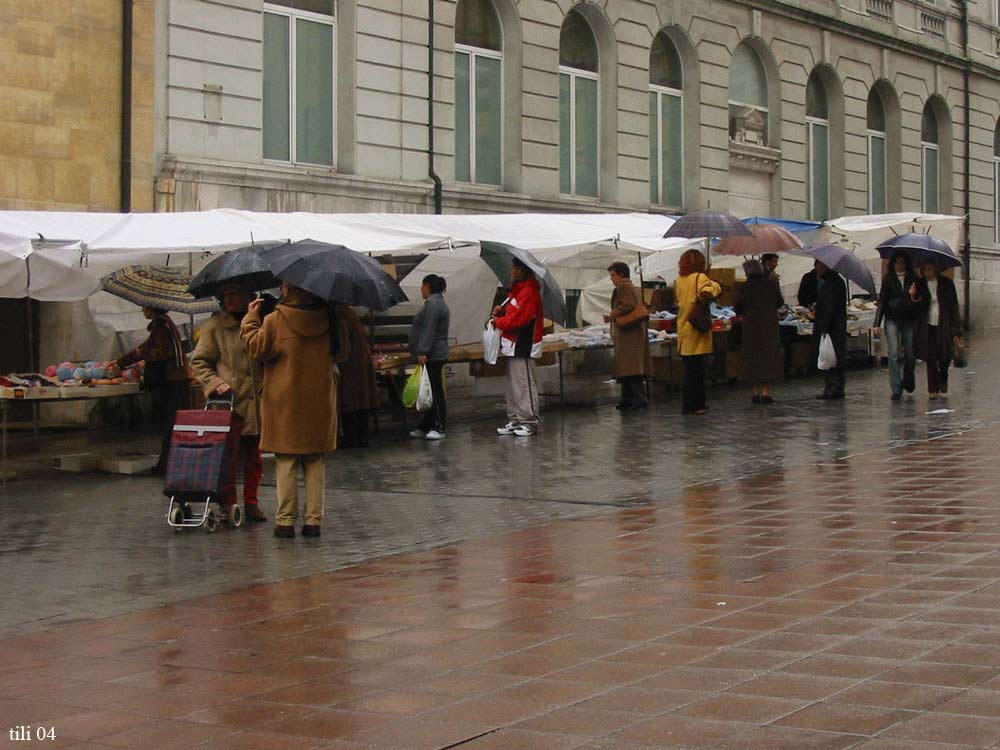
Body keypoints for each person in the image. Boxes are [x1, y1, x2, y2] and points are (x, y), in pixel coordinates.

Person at [241, 283, 349, 539]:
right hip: (319, 401)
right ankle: (313, 521)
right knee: (314, 462)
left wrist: (250, 319)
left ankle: (286, 522)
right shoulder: (330, 317)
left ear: (290, 289)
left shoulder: (275, 319)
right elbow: (343, 353)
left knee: (286, 462)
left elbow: (255, 348)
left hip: (284, 403)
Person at [190, 284, 267, 522]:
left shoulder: (262, 324)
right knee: (228, 458)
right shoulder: (214, 327)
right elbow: (199, 362)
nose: (229, 299)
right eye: (226, 295)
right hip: (228, 404)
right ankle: (228, 502)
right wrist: (214, 383)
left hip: (258, 403)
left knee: (254, 457)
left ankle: (251, 502)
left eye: (235, 293)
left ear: (249, 295)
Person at [116, 307, 189, 475]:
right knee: (171, 424)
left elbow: (162, 353)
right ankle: (167, 463)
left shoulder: (163, 326)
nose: (142, 310)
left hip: (173, 380)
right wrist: (121, 362)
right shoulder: (160, 326)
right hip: (173, 380)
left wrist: (144, 355)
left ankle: (168, 465)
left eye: (144, 307)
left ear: (152, 308)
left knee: (172, 424)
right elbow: (144, 348)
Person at [493, 258, 544, 436]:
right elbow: (513, 313)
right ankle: (515, 417)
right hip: (513, 343)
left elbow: (519, 320)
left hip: (523, 343)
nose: (512, 271)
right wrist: (502, 312)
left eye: (515, 267)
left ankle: (528, 420)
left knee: (523, 383)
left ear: (523, 270)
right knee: (513, 384)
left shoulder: (528, 292)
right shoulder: (517, 292)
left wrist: (499, 321)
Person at [675, 249, 721, 416]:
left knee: (689, 370)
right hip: (696, 329)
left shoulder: (679, 280)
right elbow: (712, 290)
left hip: (684, 326)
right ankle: (695, 404)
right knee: (698, 372)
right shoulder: (700, 278)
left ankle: (690, 403)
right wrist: (712, 281)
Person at [872, 252, 920, 402]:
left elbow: (918, 301)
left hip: (908, 319)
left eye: (902, 262)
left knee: (911, 353)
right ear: (893, 264)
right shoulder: (888, 280)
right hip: (892, 318)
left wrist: (913, 295)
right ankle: (896, 388)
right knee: (893, 353)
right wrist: (876, 323)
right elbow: (883, 302)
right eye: (897, 263)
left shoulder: (914, 279)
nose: (900, 265)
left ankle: (909, 379)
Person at [734, 259, 784, 404]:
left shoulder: (744, 287)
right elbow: (779, 302)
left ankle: (756, 392)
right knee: (768, 358)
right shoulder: (770, 284)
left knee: (753, 359)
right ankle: (766, 392)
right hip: (769, 326)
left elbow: (737, 308)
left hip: (751, 328)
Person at [911, 260, 962, 399]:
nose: (928, 272)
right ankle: (932, 389)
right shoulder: (919, 284)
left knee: (945, 355)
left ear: (936, 269)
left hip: (944, 323)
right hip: (927, 324)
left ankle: (943, 377)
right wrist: (913, 295)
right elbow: (915, 308)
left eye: (930, 269)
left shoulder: (947, 284)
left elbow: (954, 307)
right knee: (931, 357)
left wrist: (957, 328)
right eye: (925, 269)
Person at [408, 274, 451, 440]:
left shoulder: (434, 305)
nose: (421, 289)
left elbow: (429, 330)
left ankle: (439, 426)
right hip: (431, 353)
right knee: (429, 390)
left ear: (427, 286)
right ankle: (427, 423)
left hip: (434, 354)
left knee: (435, 390)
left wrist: (422, 351)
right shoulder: (434, 303)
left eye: (422, 285)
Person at [604, 262, 650, 411]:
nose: (611, 279)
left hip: (628, 333)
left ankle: (637, 400)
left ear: (621, 274)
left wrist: (612, 315)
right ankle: (628, 399)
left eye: (613, 275)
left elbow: (627, 304)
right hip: (631, 332)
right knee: (628, 368)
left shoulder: (623, 286)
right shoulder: (630, 286)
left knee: (630, 368)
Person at [335, 305, 377, 449]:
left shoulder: (340, 315)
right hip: (360, 361)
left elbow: (343, 344)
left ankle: (351, 438)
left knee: (349, 401)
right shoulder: (349, 312)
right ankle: (362, 437)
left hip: (349, 364)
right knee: (361, 399)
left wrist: (335, 359)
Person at [813, 260, 848, 400]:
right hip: (836, 326)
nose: (816, 269)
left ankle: (833, 386)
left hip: (832, 327)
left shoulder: (831, 284)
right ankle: (835, 386)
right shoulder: (835, 282)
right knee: (833, 356)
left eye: (817, 265)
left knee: (830, 357)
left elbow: (829, 307)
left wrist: (824, 326)